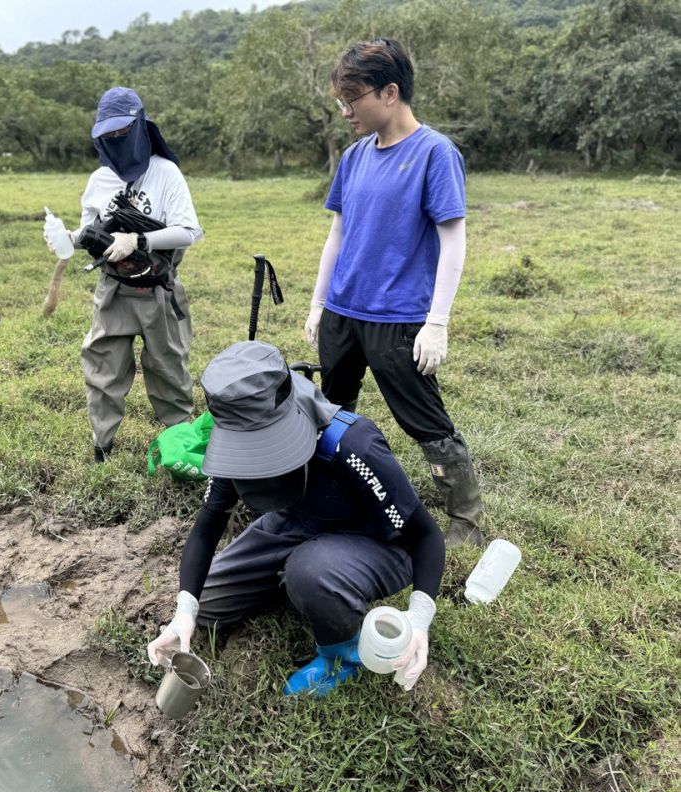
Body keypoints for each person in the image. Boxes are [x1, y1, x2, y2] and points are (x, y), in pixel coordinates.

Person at [146, 341, 445, 696]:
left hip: (378, 542)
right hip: (298, 524)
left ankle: (340, 654)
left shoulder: (350, 444)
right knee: (207, 606)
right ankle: (296, 583)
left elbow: (426, 536)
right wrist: (185, 611)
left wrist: (419, 618)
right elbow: (209, 523)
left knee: (310, 570)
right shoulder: (235, 436)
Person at [302, 38, 484, 547]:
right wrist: (318, 302)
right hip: (343, 310)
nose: (344, 112)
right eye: (339, 101)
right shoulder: (356, 155)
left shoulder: (435, 154)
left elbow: (453, 242)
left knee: (425, 421)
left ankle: (465, 520)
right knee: (330, 411)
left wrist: (438, 321)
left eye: (351, 99)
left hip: (398, 319)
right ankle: (335, 495)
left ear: (389, 92)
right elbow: (337, 233)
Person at [45, 87, 204, 462]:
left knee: (168, 370)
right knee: (103, 367)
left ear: (139, 127)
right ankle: (103, 448)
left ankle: (180, 445)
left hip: (158, 293)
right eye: (108, 136)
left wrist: (138, 239)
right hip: (113, 290)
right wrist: (66, 238)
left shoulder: (165, 173)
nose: (116, 141)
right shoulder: (99, 180)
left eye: (122, 133)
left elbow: (189, 231)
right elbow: (89, 235)